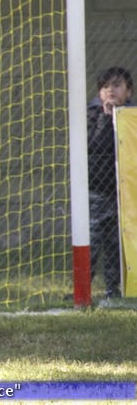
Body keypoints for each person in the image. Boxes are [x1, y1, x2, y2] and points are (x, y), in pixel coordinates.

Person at [87, 66, 134, 300]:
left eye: (116, 85)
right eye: (105, 87)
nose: (110, 90)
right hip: (96, 191)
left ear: (129, 91)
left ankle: (113, 288)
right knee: (91, 241)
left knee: (116, 243)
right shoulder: (92, 115)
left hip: (124, 193)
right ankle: (82, 287)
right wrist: (106, 118)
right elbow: (94, 146)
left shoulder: (132, 117)